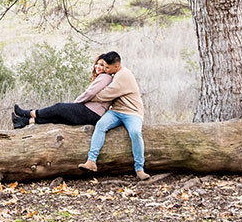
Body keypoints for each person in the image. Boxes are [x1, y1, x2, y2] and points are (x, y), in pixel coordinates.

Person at [77, 51, 150, 180]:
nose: (104, 70)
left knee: (135, 133)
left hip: (132, 112)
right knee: (100, 125)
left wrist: (90, 97)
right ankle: (91, 161)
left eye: (107, 68)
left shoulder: (123, 76)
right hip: (116, 111)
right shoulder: (114, 74)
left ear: (116, 67)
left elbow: (105, 94)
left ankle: (139, 169)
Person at [11, 55, 113, 128]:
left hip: (92, 113)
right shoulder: (104, 77)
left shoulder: (105, 77)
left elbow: (90, 93)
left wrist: (76, 103)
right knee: (59, 118)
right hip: (93, 114)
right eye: (97, 64)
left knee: (59, 107)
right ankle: (23, 121)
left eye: (102, 65)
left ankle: (29, 113)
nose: (98, 67)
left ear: (107, 67)